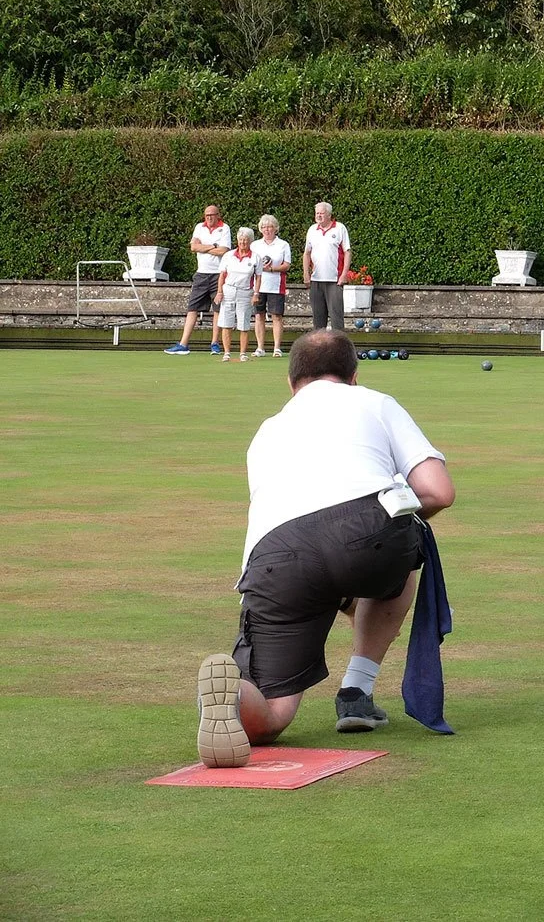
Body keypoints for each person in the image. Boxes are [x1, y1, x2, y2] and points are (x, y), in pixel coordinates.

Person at [195, 330, 455, 767]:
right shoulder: (374, 401)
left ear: (290, 382)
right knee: (408, 543)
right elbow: (438, 492)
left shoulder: (267, 430)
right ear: (353, 376)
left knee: (273, 716)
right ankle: (357, 689)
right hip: (366, 531)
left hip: (274, 554)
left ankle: (234, 697)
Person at [163, 204, 231, 355]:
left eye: (212, 215)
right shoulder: (199, 227)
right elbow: (193, 247)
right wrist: (213, 246)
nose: (209, 218)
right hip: (201, 274)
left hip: (218, 274)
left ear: (218, 215)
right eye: (207, 215)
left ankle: (215, 343)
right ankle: (183, 344)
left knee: (217, 309)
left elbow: (224, 250)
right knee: (192, 308)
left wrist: (204, 247)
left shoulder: (224, 228)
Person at [303, 201, 351, 330]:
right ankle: (319, 349)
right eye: (317, 213)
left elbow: (347, 252)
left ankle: (340, 348)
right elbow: (306, 253)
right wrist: (306, 274)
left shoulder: (340, 228)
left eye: (322, 213)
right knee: (318, 320)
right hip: (316, 280)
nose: (318, 216)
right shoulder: (312, 230)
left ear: (329, 214)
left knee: (337, 319)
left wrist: (344, 275)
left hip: (334, 281)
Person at [251, 214, 292, 357]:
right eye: (264, 227)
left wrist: (272, 269)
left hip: (276, 285)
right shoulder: (255, 245)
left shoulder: (283, 245)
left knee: (277, 316)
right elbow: (250, 264)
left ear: (275, 228)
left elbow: (286, 265)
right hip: (258, 287)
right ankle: (260, 348)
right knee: (258, 316)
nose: (267, 230)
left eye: (270, 227)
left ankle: (277, 348)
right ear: (260, 229)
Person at [215, 227, 259, 362]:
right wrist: (219, 292)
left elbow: (258, 277)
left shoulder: (256, 257)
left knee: (244, 324)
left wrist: (256, 294)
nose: (242, 242)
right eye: (240, 240)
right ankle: (227, 353)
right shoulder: (228, 256)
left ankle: (242, 353)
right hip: (228, 290)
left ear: (250, 241)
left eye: (245, 240)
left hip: (245, 292)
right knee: (226, 323)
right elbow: (222, 275)